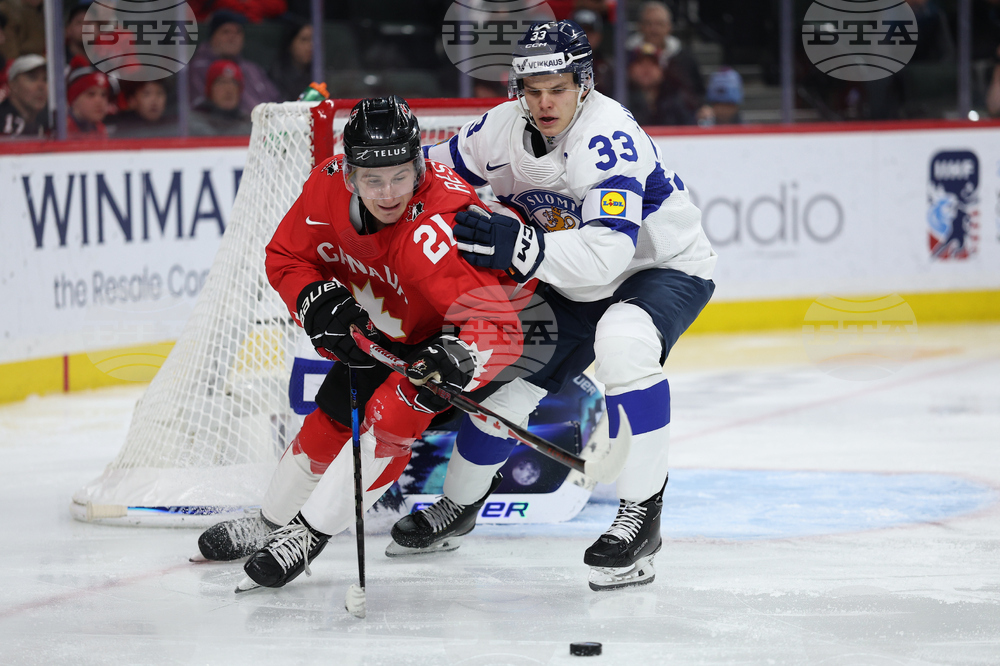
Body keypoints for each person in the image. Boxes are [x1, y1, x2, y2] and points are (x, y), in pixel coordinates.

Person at [386, 19, 717, 591]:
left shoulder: (608, 134)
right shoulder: (500, 127)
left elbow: (608, 257)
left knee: (623, 342)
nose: (544, 103)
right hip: (568, 272)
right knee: (508, 384)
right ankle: (459, 506)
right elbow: (435, 172)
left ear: (583, 84)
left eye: (558, 88)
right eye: (533, 90)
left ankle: (642, 516)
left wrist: (517, 246)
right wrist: (377, 180)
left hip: (658, 265)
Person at [195, 96, 529, 591]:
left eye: (400, 175)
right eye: (372, 179)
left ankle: (307, 536)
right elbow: (286, 256)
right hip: (394, 322)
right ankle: (270, 522)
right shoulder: (324, 187)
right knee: (334, 406)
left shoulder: (441, 228)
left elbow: (502, 331)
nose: (388, 192)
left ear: (420, 165)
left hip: (464, 336)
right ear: (348, 175)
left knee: (394, 414)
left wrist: (460, 357)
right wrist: (315, 300)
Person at [186, 9, 281, 116]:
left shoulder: (252, 69)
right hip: (219, 129)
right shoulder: (198, 68)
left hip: (264, 128)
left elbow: (276, 100)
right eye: (226, 31)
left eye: (238, 32)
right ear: (213, 36)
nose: (232, 37)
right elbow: (198, 109)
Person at [189, 59, 252, 136]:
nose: (229, 89)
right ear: (210, 89)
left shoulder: (250, 126)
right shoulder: (192, 126)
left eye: (234, 83)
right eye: (222, 82)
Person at [0, 53, 49, 137]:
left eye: (45, 79)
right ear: (13, 84)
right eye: (32, 78)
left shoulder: (51, 124)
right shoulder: (2, 124)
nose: (41, 86)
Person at [109, 79, 176, 138]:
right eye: (146, 94)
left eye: (159, 93)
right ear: (132, 100)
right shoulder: (123, 130)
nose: (154, 100)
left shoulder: (175, 128)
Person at [268, 19, 313, 102]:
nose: (310, 46)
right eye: (304, 40)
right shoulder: (276, 74)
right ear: (290, 43)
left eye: (313, 40)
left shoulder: (317, 73)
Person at [66, 55, 110, 137]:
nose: (99, 101)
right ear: (74, 100)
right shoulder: (61, 132)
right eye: (91, 94)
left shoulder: (101, 130)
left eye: (103, 95)